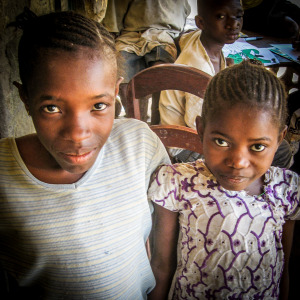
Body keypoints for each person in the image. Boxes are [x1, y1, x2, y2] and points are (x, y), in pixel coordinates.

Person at [0, 11, 170, 299]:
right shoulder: (4, 176)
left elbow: (163, 257)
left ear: (115, 92)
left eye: (99, 106)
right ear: (26, 100)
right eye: (52, 108)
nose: (78, 134)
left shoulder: (139, 145)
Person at [148, 60, 299, 299]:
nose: (238, 161)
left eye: (258, 146)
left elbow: (286, 270)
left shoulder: (287, 190)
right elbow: (161, 265)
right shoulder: (178, 183)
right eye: (221, 141)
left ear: (280, 139)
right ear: (201, 129)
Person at [159, 0, 243, 161]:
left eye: (238, 16)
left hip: (194, 132)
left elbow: (184, 38)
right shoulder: (199, 68)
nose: (233, 24)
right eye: (221, 17)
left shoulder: (203, 41)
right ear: (200, 22)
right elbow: (197, 126)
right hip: (183, 145)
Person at [102, 0, 191, 122]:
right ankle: (137, 122)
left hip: (164, 35)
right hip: (130, 36)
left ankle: (158, 123)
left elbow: (184, 14)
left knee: (162, 76)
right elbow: (113, 22)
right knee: (123, 77)